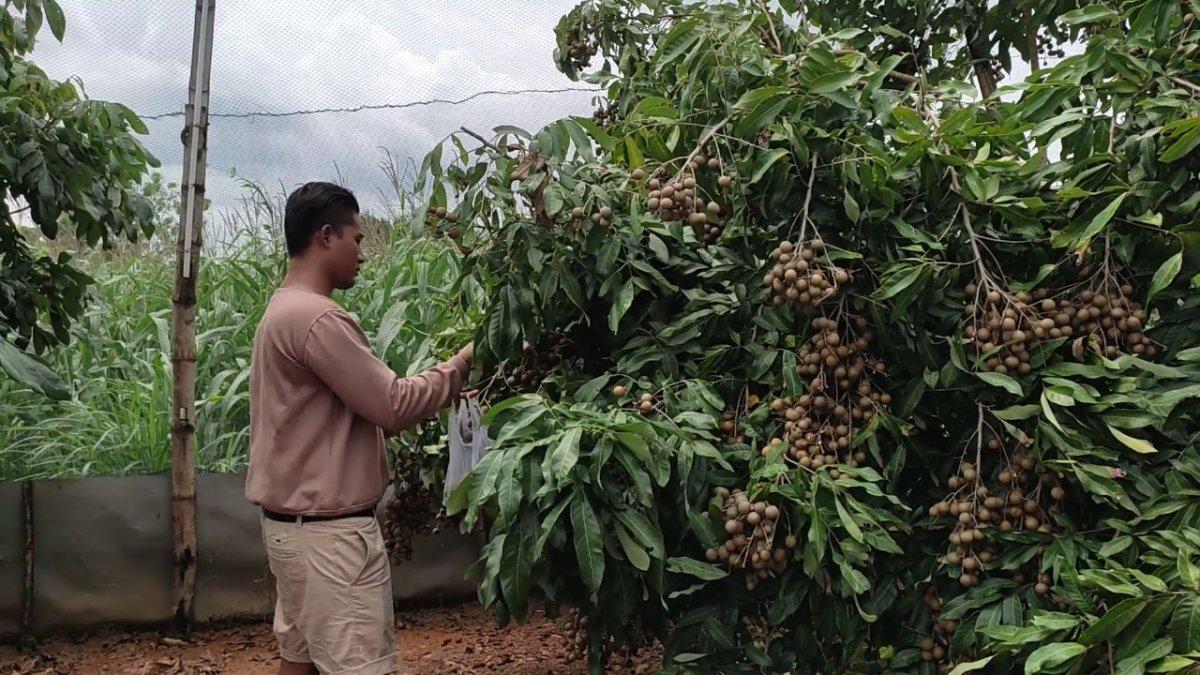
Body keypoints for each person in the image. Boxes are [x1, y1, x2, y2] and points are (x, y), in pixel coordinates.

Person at [246, 181, 473, 675]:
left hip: (294, 532)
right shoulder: (318, 318)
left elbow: (355, 416)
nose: (363, 253)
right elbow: (391, 405)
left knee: (299, 661)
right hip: (331, 542)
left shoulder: (281, 309)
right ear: (326, 236)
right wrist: (461, 365)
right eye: (358, 237)